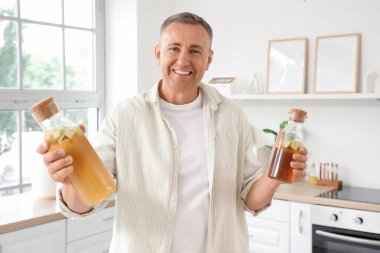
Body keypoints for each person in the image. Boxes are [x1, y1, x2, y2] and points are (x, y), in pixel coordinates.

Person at [37, 12, 308, 253]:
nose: (183, 60)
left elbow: (249, 199)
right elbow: (85, 204)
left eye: (195, 51)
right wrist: (71, 178)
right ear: (158, 54)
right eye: (174, 48)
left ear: (209, 58)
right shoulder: (125, 116)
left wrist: (274, 177)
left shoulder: (232, 116)